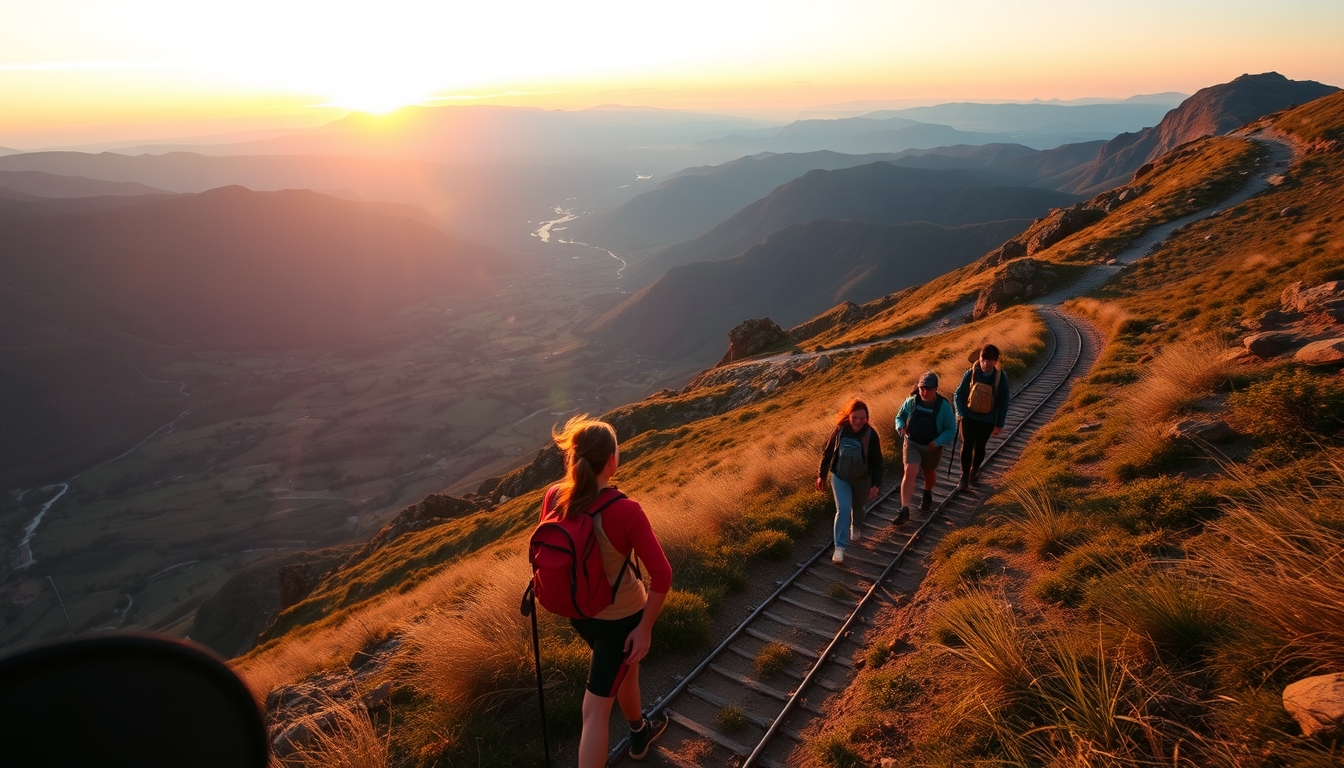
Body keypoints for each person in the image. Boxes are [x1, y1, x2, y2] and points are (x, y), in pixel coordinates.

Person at [548, 416, 672, 765]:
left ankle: (638, 731)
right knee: (594, 711)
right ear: (612, 460)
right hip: (621, 621)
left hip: (580, 613)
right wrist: (644, 629)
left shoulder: (557, 497)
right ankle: (637, 732)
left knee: (625, 670)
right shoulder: (625, 510)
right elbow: (662, 575)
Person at [816, 399, 883, 564]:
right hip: (840, 477)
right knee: (843, 509)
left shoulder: (871, 435)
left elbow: (877, 462)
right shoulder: (839, 431)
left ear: (867, 417)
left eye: (862, 418)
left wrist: (876, 484)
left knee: (858, 508)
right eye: (855, 418)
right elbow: (827, 454)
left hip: (861, 479)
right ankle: (839, 548)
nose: (858, 421)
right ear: (848, 416)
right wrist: (821, 476)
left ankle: (857, 525)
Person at [894, 372, 956, 523]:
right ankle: (905, 509)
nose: (924, 392)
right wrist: (901, 427)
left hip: (931, 447)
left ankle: (927, 493)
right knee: (910, 471)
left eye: (928, 388)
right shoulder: (911, 401)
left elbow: (951, 429)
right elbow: (899, 417)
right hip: (912, 443)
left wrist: (937, 442)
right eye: (922, 388)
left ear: (935, 389)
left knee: (929, 472)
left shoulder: (943, 406)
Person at [954, 344, 1012, 492]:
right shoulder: (971, 373)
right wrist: (961, 413)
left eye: (990, 360)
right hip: (969, 417)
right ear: (979, 358)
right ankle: (964, 477)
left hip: (988, 420)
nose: (986, 363)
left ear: (996, 361)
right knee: (967, 445)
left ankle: (974, 471)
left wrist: (1000, 423)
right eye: (984, 359)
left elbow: (1004, 401)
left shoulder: (1000, 377)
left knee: (980, 447)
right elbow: (958, 395)